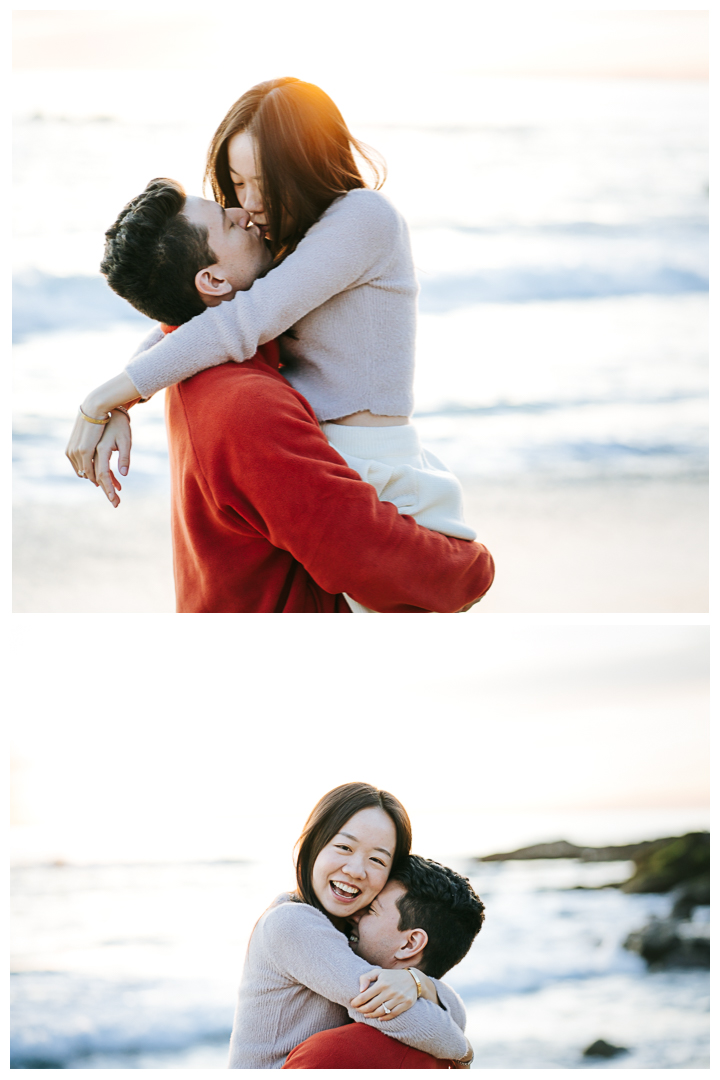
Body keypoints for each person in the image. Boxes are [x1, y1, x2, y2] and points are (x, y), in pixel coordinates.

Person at [65, 78, 481, 612]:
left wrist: (106, 398)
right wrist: (123, 394)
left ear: (306, 165)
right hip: (335, 458)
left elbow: (241, 322)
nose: (250, 204)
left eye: (264, 182)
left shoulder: (360, 219)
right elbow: (189, 324)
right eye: (237, 183)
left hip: (380, 468)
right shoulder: (284, 238)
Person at [225, 782, 475, 1069]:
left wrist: (415, 982)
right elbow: (405, 1018)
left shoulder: (351, 930)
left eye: (377, 859)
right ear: (314, 843)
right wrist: (463, 1053)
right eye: (344, 847)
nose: (356, 870)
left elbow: (454, 1013)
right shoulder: (292, 923)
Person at [282, 855, 485, 1069]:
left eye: (370, 909)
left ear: (410, 944)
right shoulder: (442, 1055)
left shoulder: (332, 1054)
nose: (353, 914)